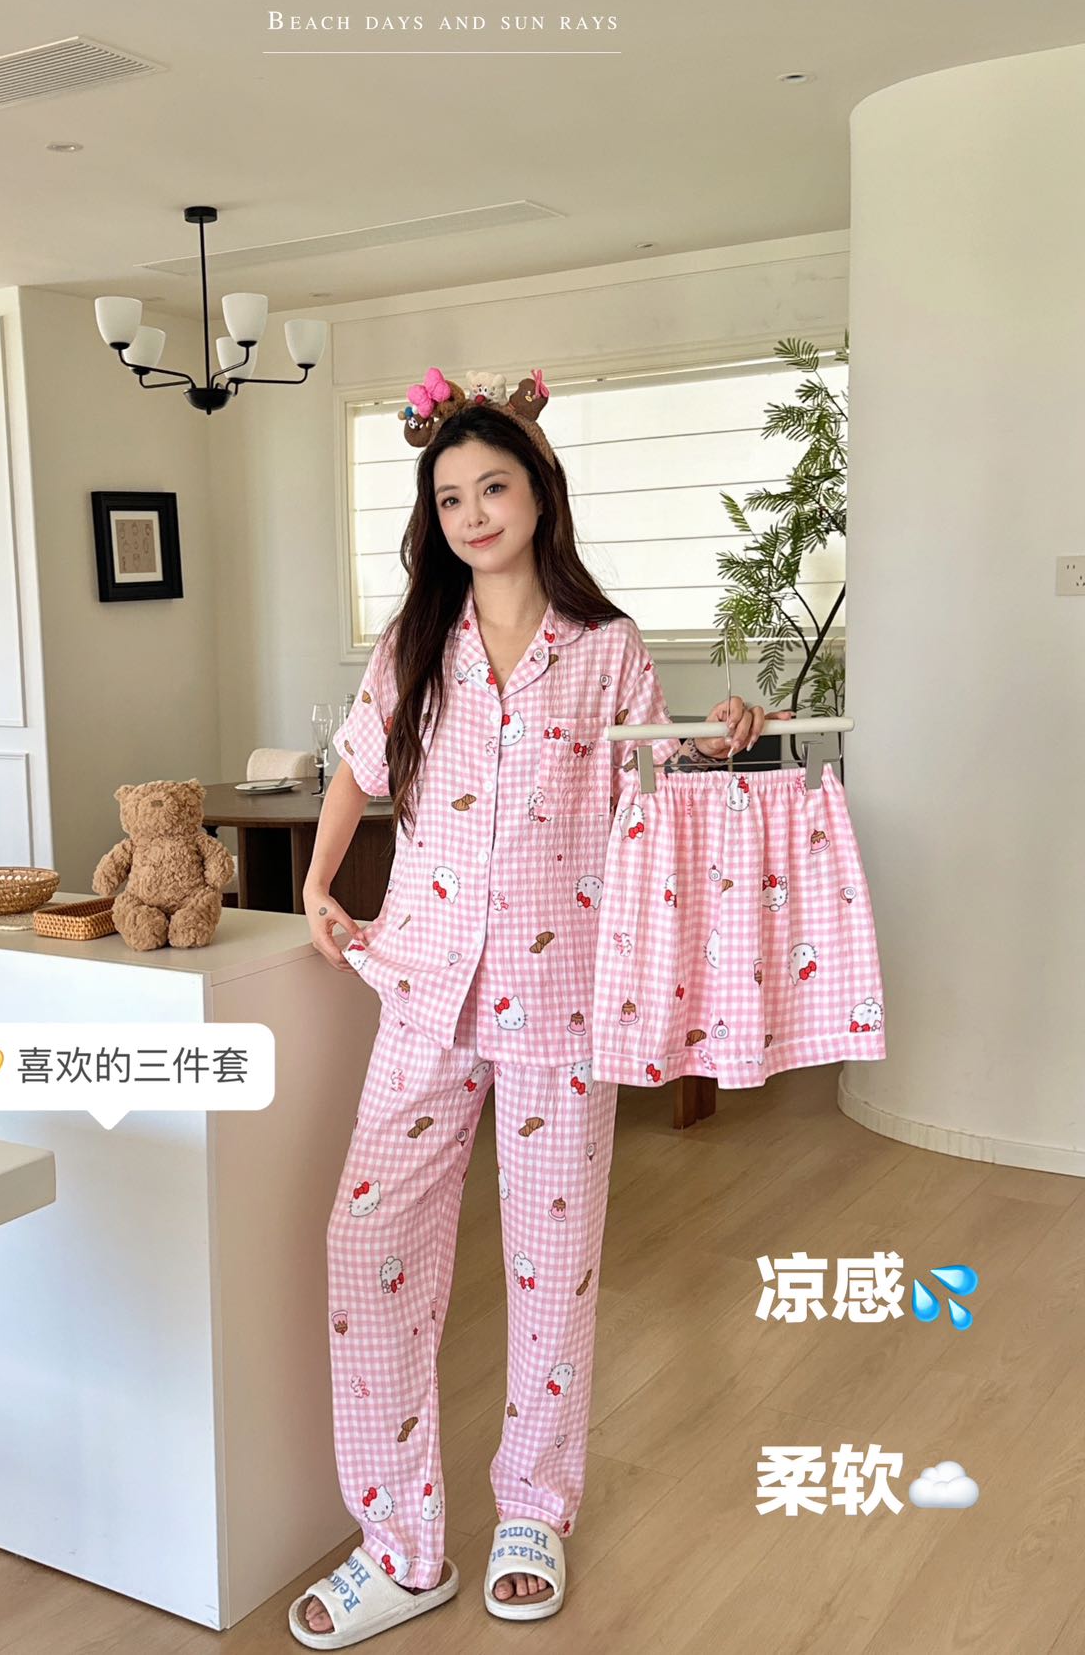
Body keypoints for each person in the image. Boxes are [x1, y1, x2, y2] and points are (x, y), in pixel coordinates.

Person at [289, 367, 788, 1646]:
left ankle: (533, 1510)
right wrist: (318, 879)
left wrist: (718, 738)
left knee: (550, 1266)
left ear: (537, 494)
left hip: (562, 1000)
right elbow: (354, 766)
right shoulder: (414, 645)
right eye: (448, 497)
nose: (471, 514)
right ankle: (399, 1543)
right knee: (365, 1242)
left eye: (491, 487)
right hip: (422, 985)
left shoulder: (605, 648)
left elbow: (652, 780)